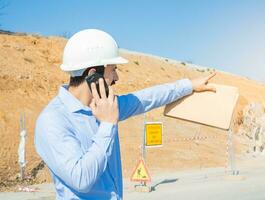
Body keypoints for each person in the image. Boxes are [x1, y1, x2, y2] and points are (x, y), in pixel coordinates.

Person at [35, 29, 216, 200]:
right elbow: (81, 178)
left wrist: (189, 85)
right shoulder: (53, 121)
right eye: (113, 69)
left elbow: (146, 98)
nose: (116, 78)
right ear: (93, 75)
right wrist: (107, 125)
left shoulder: (105, 105)